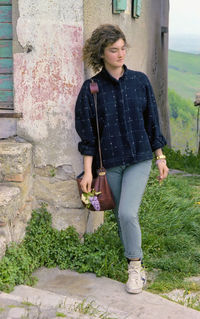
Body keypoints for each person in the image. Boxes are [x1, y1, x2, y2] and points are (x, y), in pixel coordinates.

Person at [75, 24, 169, 294]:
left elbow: (152, 121)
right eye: (113, 50)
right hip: (110, 164)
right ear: (101, 53)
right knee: (120, 215)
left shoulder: (140, 81)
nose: (120, 54)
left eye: (122, 48)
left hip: (139, 157)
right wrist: (88, 171)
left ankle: (136, 268)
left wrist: (160, 157)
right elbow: (88, 134)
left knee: (128, 212)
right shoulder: (91, 88)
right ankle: (131, 252)